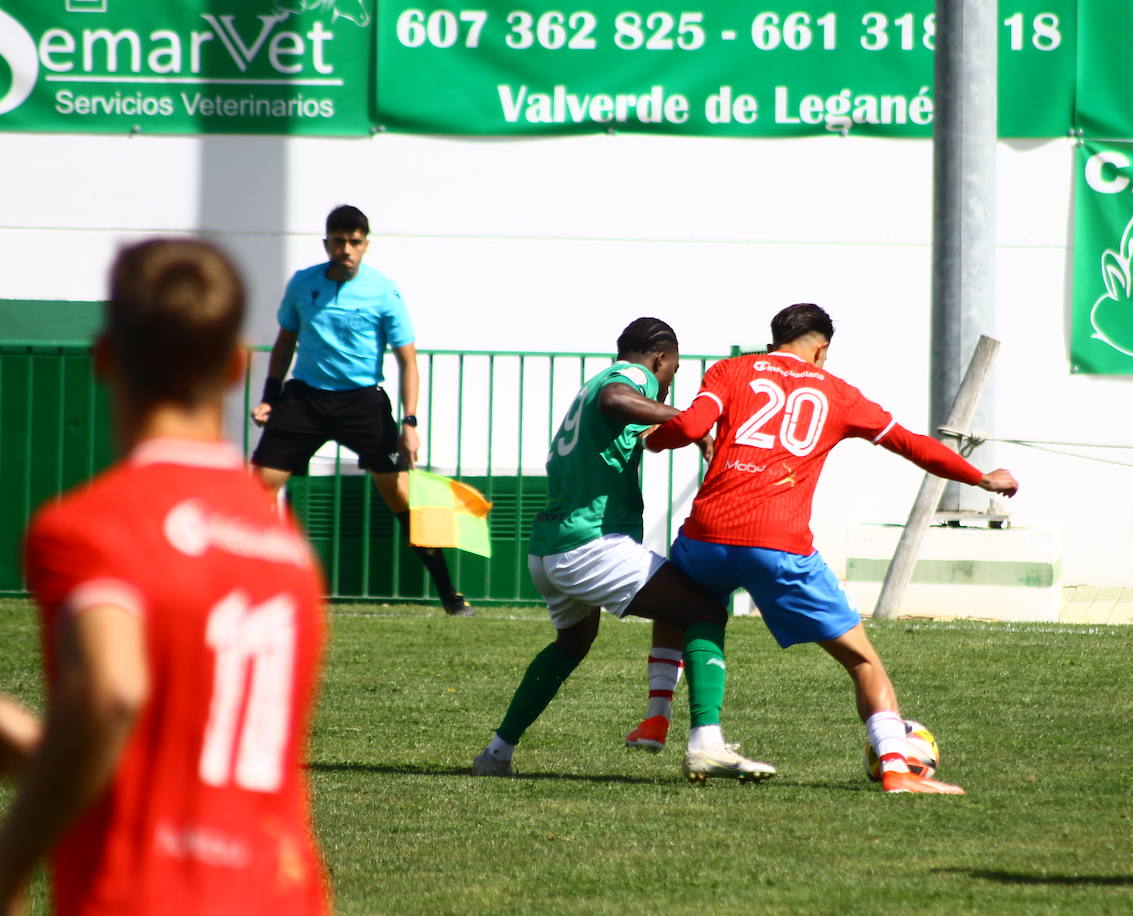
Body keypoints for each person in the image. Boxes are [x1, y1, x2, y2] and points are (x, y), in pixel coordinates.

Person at [1, 239, 329, 914]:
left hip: (144, 895)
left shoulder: (92, 526)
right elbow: (161, 765)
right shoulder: (286, 549)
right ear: (237, 365)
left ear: (104, 357)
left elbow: (109, 697)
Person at [634, 303, 1019, 794]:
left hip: (707, 535)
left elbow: (689, 428)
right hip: (779, 544)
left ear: (773, 341)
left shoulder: (731, 370)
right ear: (821, 349)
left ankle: (663, 718)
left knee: (690, 607)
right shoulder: (837, 392)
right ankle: (896, 768)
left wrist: (654, 440)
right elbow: (912, 444)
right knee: (862, 662)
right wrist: (981, 477)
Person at [472, 318, 774, 782]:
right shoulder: (632, 376)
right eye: (672, 371)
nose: (668, 383)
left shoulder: (592, 384)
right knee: (704, 609)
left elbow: (625, 427)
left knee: (573, 644)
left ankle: (497, 752)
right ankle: (705, 744)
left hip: (550, 548)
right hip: (590, 544)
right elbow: (618, 399)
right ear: (660, 359)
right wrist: (684, 418)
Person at [251, 204, 468, 616]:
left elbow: (408, 362)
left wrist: (410, 421)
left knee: (400, 495)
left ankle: (450, 594)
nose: (346, 249)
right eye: (339, 241)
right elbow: (284, 344)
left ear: (366, 245)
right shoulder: (303, 284)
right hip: (305, 399)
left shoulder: (384, 292)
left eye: (354, 242)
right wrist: (269, 397)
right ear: (326, 243)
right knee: (256, 490)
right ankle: (246, 586)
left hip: (362, 403)